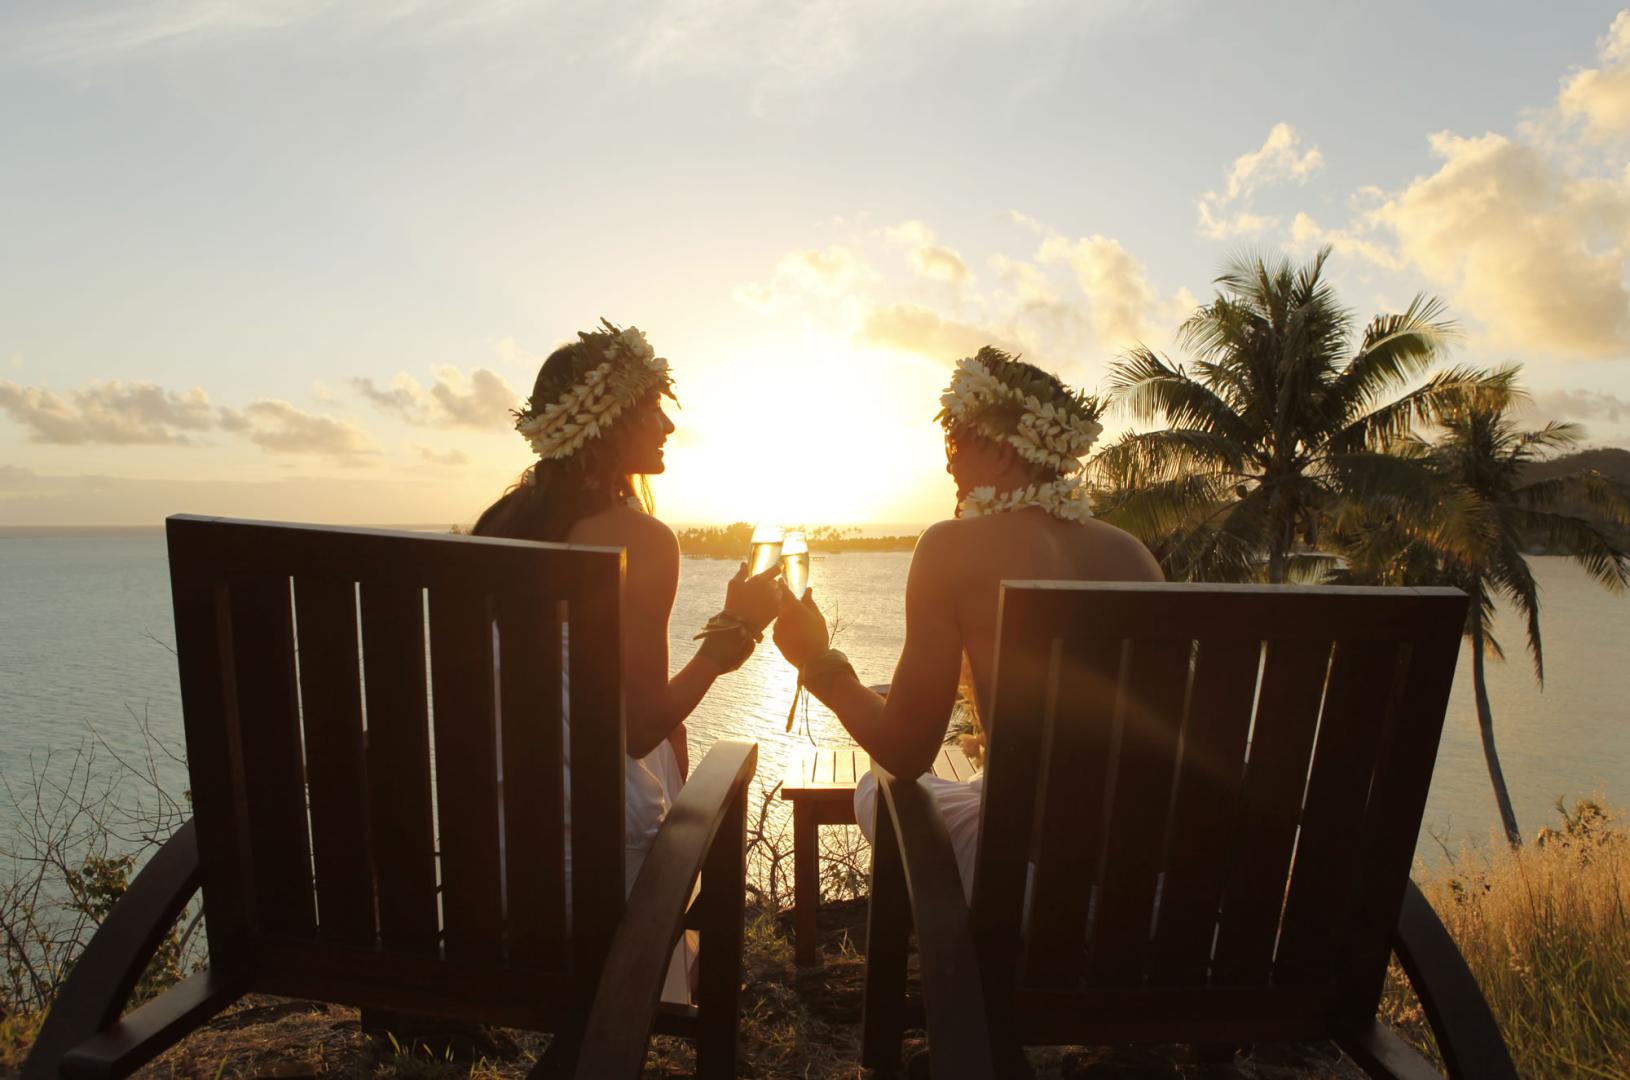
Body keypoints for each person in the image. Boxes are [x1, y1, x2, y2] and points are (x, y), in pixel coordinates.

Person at [771, 346, 1163, 897]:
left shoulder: (949, 548)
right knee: (980, 783)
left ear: (1001, 454)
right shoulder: (1132, 555)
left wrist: (818, 661)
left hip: (1031, 884)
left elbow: (906, 753)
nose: (949, 466)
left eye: (956, 447)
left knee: (875, 787)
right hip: (1149, 886)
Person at [472, 319, 780, 999]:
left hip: (493, 852)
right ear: (605, 423)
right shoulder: (641, 540)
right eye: (650, 408)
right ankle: (659, 996)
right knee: (691, 760)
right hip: (598, 859)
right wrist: (730, 639)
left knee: (671, 748)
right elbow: (639, 730)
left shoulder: (497, 527)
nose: (668, 424)